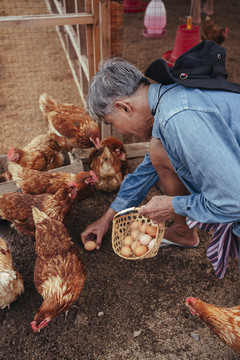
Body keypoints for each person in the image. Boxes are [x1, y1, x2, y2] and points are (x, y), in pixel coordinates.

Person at [81, 40, 240, 279]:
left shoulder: (177, 117)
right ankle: (184, 232)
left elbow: (234, 200)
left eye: (112, 123)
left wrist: (173, 206)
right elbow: (145, 171)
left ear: (124, 107)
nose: (121, 132)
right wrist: (107, 219)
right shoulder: (169, 99)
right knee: (157, 151)